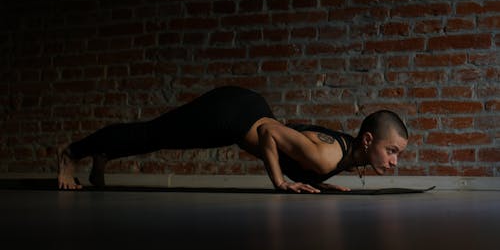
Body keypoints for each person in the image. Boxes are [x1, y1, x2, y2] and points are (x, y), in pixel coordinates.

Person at [57, 86, 409, 193]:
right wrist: (281, 182)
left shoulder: (343, 151)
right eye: (391, 151)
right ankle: (72, 153)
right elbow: (270, 133)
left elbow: (296, 146)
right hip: (231, 116)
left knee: (156, 136)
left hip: (246, 108)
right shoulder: (329, 156)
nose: (394, 161)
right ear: (367, 140)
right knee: (155, 133)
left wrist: (318, 185)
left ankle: (103, 155)